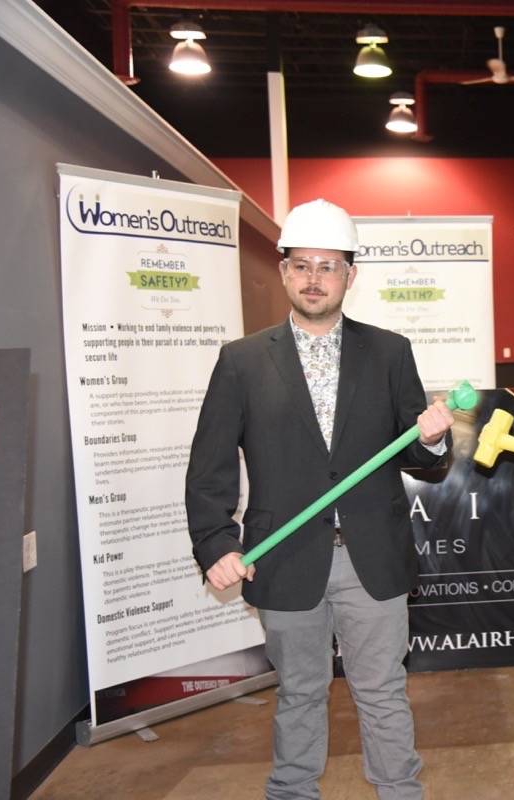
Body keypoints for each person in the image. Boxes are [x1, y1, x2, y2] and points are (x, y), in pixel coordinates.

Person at [185, 199, 454, 800]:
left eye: (328, 266)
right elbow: (209, 467)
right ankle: (292, 792)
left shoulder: (389, 351)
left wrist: (434, 441)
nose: (314, 278)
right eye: (302, 265)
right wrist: (215, 542)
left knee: (382, 689)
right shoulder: (242, 360)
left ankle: (399, 793)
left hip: (372, 558)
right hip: (284, 557)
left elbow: (420, 457)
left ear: (350, 276)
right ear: (283, 271)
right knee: (300, 690)